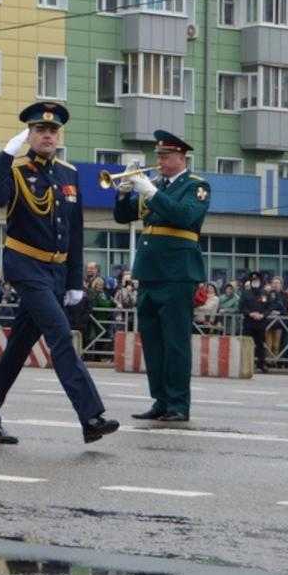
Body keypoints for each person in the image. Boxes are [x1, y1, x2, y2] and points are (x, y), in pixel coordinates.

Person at [0, 102, 117, 444]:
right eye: (40, 130)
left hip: (55, 273)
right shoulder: (16, 169)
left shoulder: (68, 174)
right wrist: (5, 156)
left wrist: (74, 281)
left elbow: (76, 231)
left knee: (17, 349)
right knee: (60, 336)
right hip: (26, 267)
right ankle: (90, 415)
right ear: (29, 134)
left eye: (53, 131)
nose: (48, 136)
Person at [113, 130, 211, 422]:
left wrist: (151, 192)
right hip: (150, 272)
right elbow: (123, 216)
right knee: (153, 342)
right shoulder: (152, 185)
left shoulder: (196, 186)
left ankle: (179, 404)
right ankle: (160, 400)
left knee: (176, 342)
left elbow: (185, 217)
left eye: (166, 156)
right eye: (158, 156)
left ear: (182, 158)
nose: (160, 161)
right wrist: (123, 192)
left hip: (178, 273)